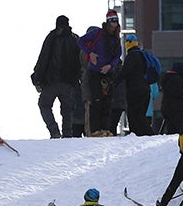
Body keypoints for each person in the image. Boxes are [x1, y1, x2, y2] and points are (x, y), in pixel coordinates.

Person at [31, 15, 81, 138]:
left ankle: (54, 131)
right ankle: (67, 135)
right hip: (68, 83)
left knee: (44, 105)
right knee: (67, 110)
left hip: (51, 81)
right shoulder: (75, 39)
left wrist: (37, 78)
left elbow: (43, 58)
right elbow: (80, 61)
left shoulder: (52, 37)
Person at [78, 10, 123, 138]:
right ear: (108, 22)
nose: (114, 24)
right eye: (112, 21)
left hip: (108, 73)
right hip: (95, 72)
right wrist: (90, 53)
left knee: (107, 102)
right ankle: (95, 129)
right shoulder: (97, 33)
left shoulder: (115, 38)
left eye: (116, 21)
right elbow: (81, 41)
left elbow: (118, 55)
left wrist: (110, 66)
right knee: (96, 101)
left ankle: (104, 128)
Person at [119, 34, 153, 136]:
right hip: (146, 89)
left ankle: (149, 134)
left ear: (127, 44)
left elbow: (124, 72)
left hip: (135, 90)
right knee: (139, 114)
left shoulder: (132, 56)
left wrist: (113, 82)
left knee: (136, 114)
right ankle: (137, 135)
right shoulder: (143, 56)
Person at [158, 62, 183, 135]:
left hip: (166, 107)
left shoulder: (167, 78)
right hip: (175, 108)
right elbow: (176, 92)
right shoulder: (176, 79)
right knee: (181, 129)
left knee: (171, 129)